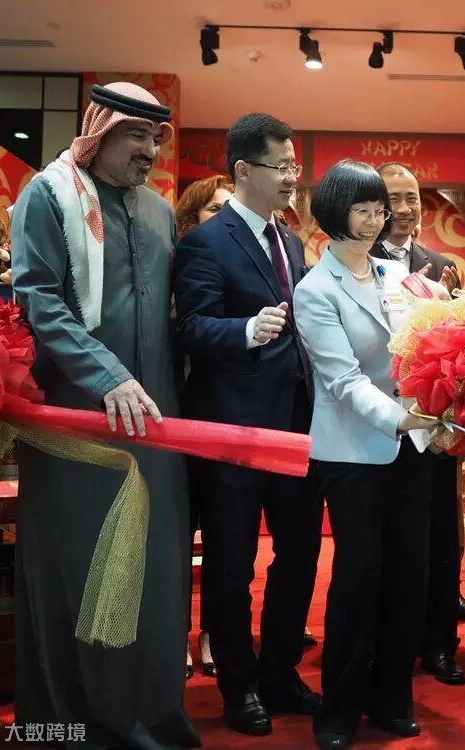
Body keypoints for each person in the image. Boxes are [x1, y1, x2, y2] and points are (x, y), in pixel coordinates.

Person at [10, 81, 200, 747]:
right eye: (135, 135)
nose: (150, 150)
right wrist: (107, 376)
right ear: (99, 132)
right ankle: (74, 726)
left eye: (156, 138)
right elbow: (37, 297)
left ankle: (153, 719)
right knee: (78, 569)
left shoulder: (160, 211)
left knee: (157, 573)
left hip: (157, 423)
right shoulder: (48, 195)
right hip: (75, 422)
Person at [173, 113, 322, 736]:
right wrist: (244, 330)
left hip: (295, 427)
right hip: (232, 432)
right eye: (280, 167)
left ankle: (280, 671)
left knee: (301, 553)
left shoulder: (291, 241)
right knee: (232, 562)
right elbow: (190, 326)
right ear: (242, 170)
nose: (291, 178)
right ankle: (238, 686)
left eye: (294, 166)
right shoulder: (205, 243)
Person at [294, 158, 443, 750]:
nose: (377, 219)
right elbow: (342, 380)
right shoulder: (314, 289)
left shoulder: (397, 275)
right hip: (353, 452)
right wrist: (401, 418)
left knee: (409, 574)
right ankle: (339, 710)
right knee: (359, 577)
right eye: (364, 209)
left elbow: (428, 346)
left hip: (413, 445)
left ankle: (392, 699)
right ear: (334, 213)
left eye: (380, 209)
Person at [369, 161, 465, 686]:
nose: (405, 210)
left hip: (434, 424)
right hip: (380, 423)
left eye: (413, 198)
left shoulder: (441, 266)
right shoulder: (356, 263)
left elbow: (463, 339)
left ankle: (439, 644)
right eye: (393, 199)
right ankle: (386, 642)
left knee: (440, 536)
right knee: (384, 539)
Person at [175, 174, 234, 680]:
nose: (225, 217)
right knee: (175, 535)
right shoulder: (176, 261)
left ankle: (214, 632)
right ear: (190, 217)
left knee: (223, 537)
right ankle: (174, 634)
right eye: (214, 209)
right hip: (170, 418)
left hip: (219, 420)